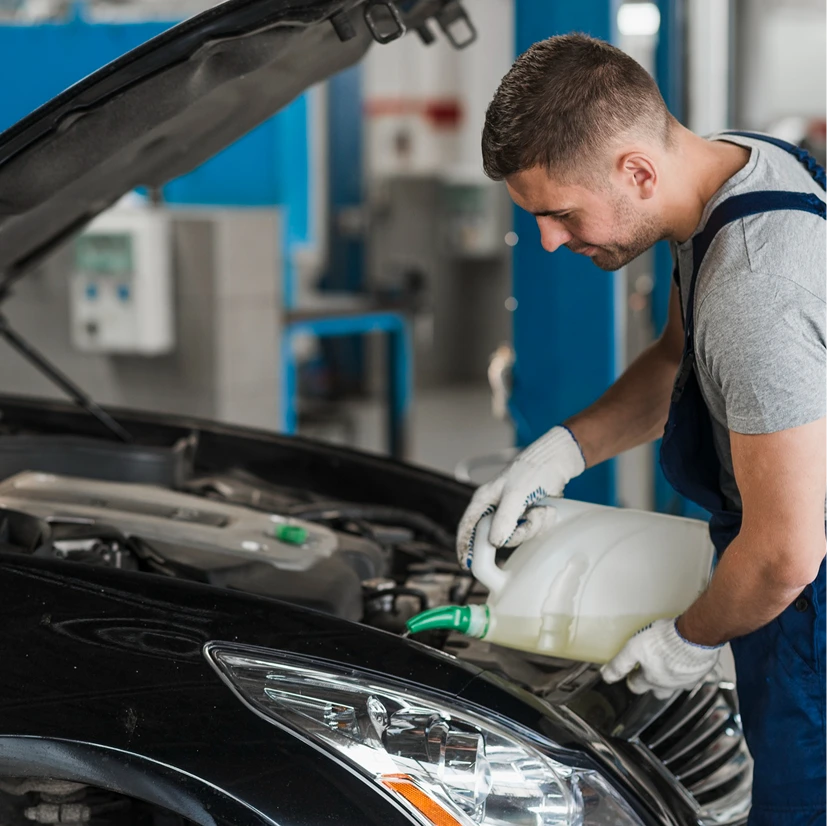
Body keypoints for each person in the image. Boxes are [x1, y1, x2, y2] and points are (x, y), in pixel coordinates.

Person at [455, 33, 827, 824]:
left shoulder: (755, 293)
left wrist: (684, 643)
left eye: (558, 213)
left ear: (635, 170)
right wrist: (556, 454)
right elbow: (674, 358)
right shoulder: (734, 168)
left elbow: (784, 553)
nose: (549, 241)